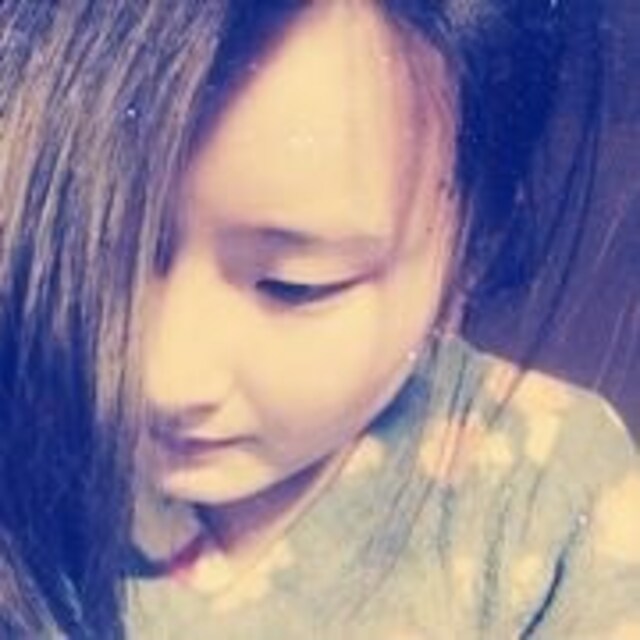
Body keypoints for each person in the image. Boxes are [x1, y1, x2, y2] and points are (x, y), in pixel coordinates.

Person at [0, 1, 638, 638]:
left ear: (475, 248)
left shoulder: (549, 497)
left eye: (294, 286)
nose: (164, 378)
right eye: (94, 253)